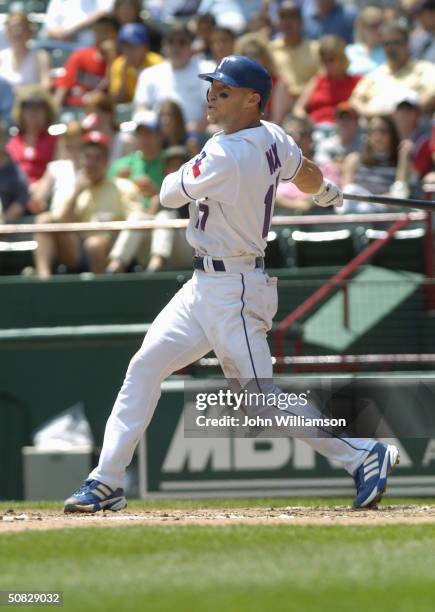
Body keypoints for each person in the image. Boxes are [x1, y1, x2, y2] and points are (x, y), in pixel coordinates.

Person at [64, 54, 399, 513]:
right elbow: (304, 174)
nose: (210, 100)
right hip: (205, 285)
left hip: (234, 289)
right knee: (145, 367)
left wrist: (317, 187)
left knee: (260, 398)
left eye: (223, 92)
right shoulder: (272, 135)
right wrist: (325, 192)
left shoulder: (228, 151)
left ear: (251, 99)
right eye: (212, 90)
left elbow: (165, 193)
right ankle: (107, 479)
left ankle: (363, 455)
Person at [33, 130, 143, 278]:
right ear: (81, 158)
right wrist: (76, 193)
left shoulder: (123, 187)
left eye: (97, 158)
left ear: (106, 161)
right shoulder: (73, 187)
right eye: (87, 157)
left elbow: (136, 222)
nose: (91, 163)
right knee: (44, 220)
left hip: (109, 248)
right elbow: (60, 222)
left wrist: (110, 232)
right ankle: (43, 278)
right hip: (76, 248)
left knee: (94, 244)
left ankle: (102, 292)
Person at [133, 23, 215, 137]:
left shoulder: (207, 69)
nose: (176, 48)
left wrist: (193, 128)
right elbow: (141, 110)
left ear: (191, 46)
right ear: (164, 46)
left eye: (182, 42)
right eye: (171, 42)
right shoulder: (149, 74)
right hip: (158, 136)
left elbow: (213, 107)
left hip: (197, 134)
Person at [350, 20, 435, 117]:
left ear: (407, 44)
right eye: (386, 44)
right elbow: (354, 101)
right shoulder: (375, 75)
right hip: (375, 127)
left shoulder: (425, 70)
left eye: (396, 43)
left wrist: (405, 112)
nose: (391, 48)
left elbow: (432, 95)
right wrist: (376, 114)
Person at [293, 35, 361, 126]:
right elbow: (298, 108)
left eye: (331, 60)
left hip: (344, 130)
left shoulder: (356, 81)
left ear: (341, 59)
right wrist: (308, 122)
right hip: (316, 129)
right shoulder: (316, 81)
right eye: (323, 60)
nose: (327, 64)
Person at [54, 15, 119, 109]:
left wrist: (111, 60)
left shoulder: (121, 61)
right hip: (75, 108)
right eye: (98, 31)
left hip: (101, 111)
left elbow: (114, 93)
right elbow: (63, 86)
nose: (102, 35)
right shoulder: (81, 55)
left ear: (115, 34)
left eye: (106, 31)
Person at [268, 1, 320, 104]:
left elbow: (321, 80)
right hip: (279, 104)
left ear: (301, 22)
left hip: (309, 103)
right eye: (282, 17)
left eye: (292, 17)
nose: (287, 21)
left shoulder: (316, 49)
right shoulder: (270, 50)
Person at [6, 88, 58, 185]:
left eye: (39, 106)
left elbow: (58, 171)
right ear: (21, 112)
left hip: (45, 191)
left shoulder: (56, 141)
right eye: (28, 106)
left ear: (47, 111)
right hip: (13, 193)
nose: (33, 111)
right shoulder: (11, 140)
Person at [109, 23, 163, 104]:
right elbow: (117, 101)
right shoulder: (118, 65)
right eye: (125, 46)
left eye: (133, 46)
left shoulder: (157, 62)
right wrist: (124, 75)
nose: (128, 51)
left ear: (145, 47)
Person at [0, 12, 51, 92]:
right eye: (12, 28)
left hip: (30, 102)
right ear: (7, 32)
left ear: (28, 31)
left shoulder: (41, 56)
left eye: (20, 27)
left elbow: (46, 85)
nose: (16, 31)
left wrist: (24, 92)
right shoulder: (1, 56)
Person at [44, 0, 115, 47]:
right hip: (59, 48)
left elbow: (103, 14)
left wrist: (71, 31)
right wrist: (61, 35)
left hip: (90, 50)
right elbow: (49, 27)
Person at [0, 120, 29, 222]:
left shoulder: (16, 172)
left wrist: (3, 221)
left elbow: (21, 201)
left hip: (6, 229)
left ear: (4, 139)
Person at [345, 6, 386, 76]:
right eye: (373, 26)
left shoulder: (389, 51)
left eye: (380, 24)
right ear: (362, 27)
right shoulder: (349, 52)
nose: (378, 29)